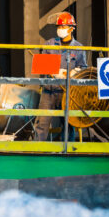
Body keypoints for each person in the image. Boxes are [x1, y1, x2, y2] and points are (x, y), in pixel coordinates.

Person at [34, 12, 87, 141]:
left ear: (71, 28)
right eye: (59, 27)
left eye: (62, 27)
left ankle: (67, 151)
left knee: (68, 124)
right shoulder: (49, 44)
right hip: (48, 91)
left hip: (67, 92)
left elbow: (84, 69)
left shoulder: (78, 48)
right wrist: (52, 71)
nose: (60, 30)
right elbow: (41, 66)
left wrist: (70, 73)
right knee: (42, 123)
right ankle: (37, 151)